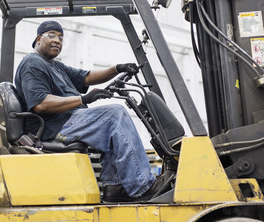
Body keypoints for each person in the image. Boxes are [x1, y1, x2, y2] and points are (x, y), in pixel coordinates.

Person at [14, 20, 170, 203]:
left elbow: (86, 77)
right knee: (114, 115)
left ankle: (115, 187)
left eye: (61, 37)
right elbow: (41, 104)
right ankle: (142, 185)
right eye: (51, 36)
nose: (57, 40)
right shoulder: (33, 63)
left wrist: (116, 68)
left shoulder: (55, 65)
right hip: (53, 127)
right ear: (38, 39)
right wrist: (83, 99)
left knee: (111, 126)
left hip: (68, 121)